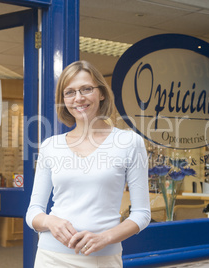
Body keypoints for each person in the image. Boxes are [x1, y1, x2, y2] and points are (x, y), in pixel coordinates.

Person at [26, 60, 151, 267]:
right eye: (70, 92)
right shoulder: (51, 146)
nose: (78, 98)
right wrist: (50, 221)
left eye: (86, 89)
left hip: (102, 259)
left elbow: (142, 214)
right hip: (51, 257)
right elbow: (33, 212)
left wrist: (105, 237)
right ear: (63, 99)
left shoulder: (129, 142)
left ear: (101, 93)